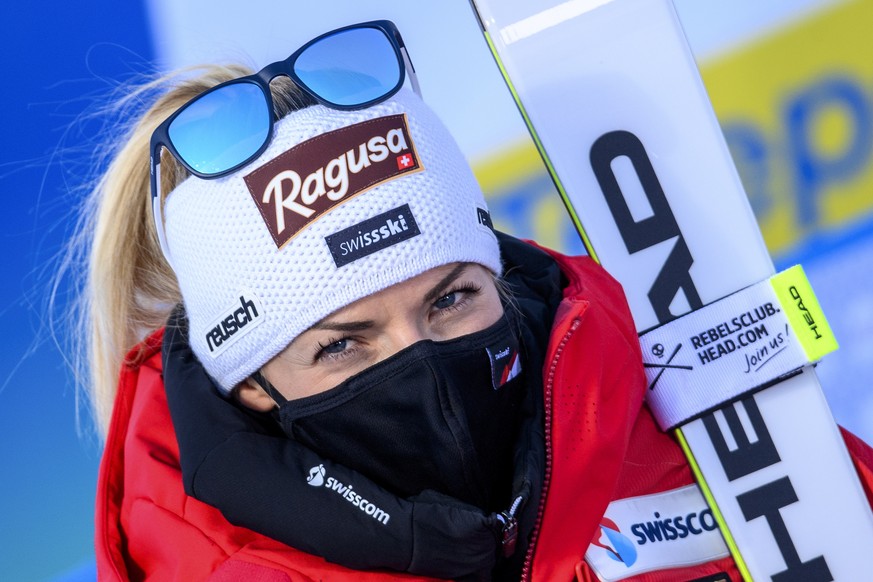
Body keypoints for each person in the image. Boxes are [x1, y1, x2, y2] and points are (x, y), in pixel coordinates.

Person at [78, 20, 873, 582]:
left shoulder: (689, 444)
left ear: (495, 274)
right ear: (250, 384)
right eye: (342, 344)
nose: (422, 359)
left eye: (450, 298)